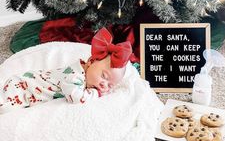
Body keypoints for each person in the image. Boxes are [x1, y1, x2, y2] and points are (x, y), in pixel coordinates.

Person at [0, 28, 132, 113]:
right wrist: (96, 94)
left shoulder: (85, 75)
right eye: (104, 76)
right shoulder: (74, 76)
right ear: (91, 62)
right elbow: (76, 98)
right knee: (6, 111)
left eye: (110, 85)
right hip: (22, 87)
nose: (104, 84)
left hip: (27, 89)